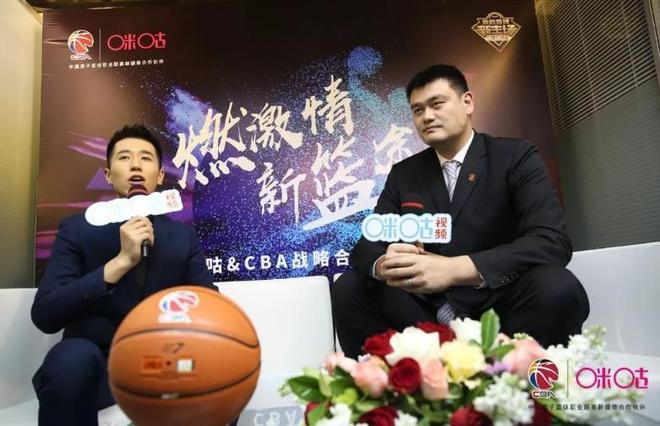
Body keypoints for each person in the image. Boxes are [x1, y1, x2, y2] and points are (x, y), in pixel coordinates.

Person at [332, 64, 589, 358]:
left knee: (558, 287)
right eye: (417, 110)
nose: (427, 116)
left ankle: (519, 382)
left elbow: (551, 241)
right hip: (427, 315)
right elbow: (365, 247)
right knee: (350, 286)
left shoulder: (515, 156)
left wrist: (453, 270)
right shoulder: (405, 173)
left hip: (501, 303)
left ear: (467, 102)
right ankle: (382, 383)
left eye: (437, 104)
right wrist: (386, 264)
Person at [31, 124, 216, 426]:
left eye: (146, 158)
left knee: (220, 367)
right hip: (97, 369)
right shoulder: (77, 230)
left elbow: (211, 308)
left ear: (160, 176)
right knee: (69, 359)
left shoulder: (183, 238)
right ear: (108, 174)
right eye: (125, 157)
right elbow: (45, 314)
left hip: (164, 366)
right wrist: (120, 262)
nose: (135, 165)